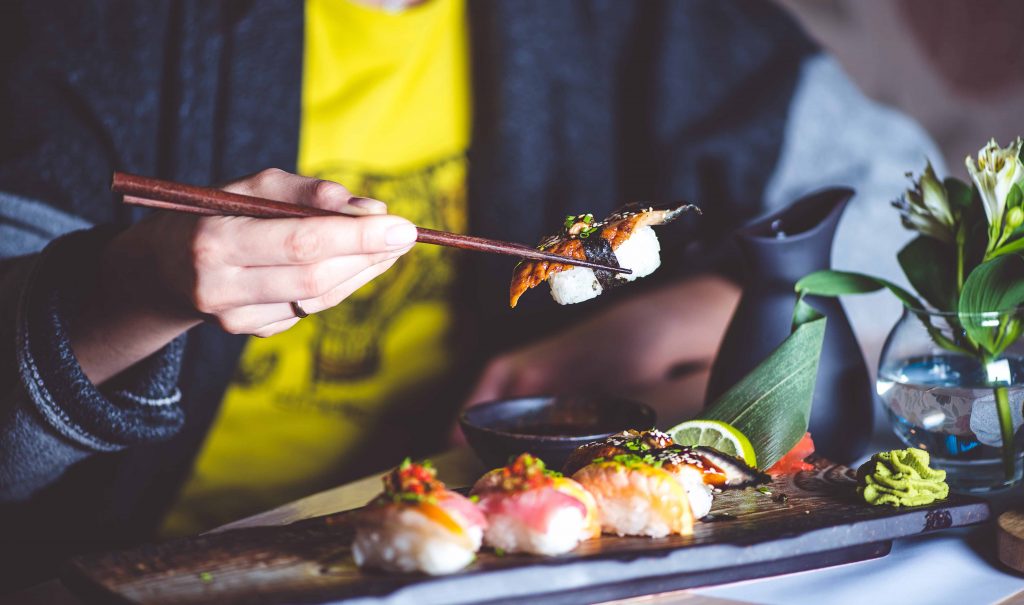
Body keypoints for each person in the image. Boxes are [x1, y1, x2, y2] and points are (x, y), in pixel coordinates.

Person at [0, 0, 940, 589]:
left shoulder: (638, 19)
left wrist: (721, 297)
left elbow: (914, 199)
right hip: (175, 557)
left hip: (506, 549)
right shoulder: (90, 30)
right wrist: (130, 286)